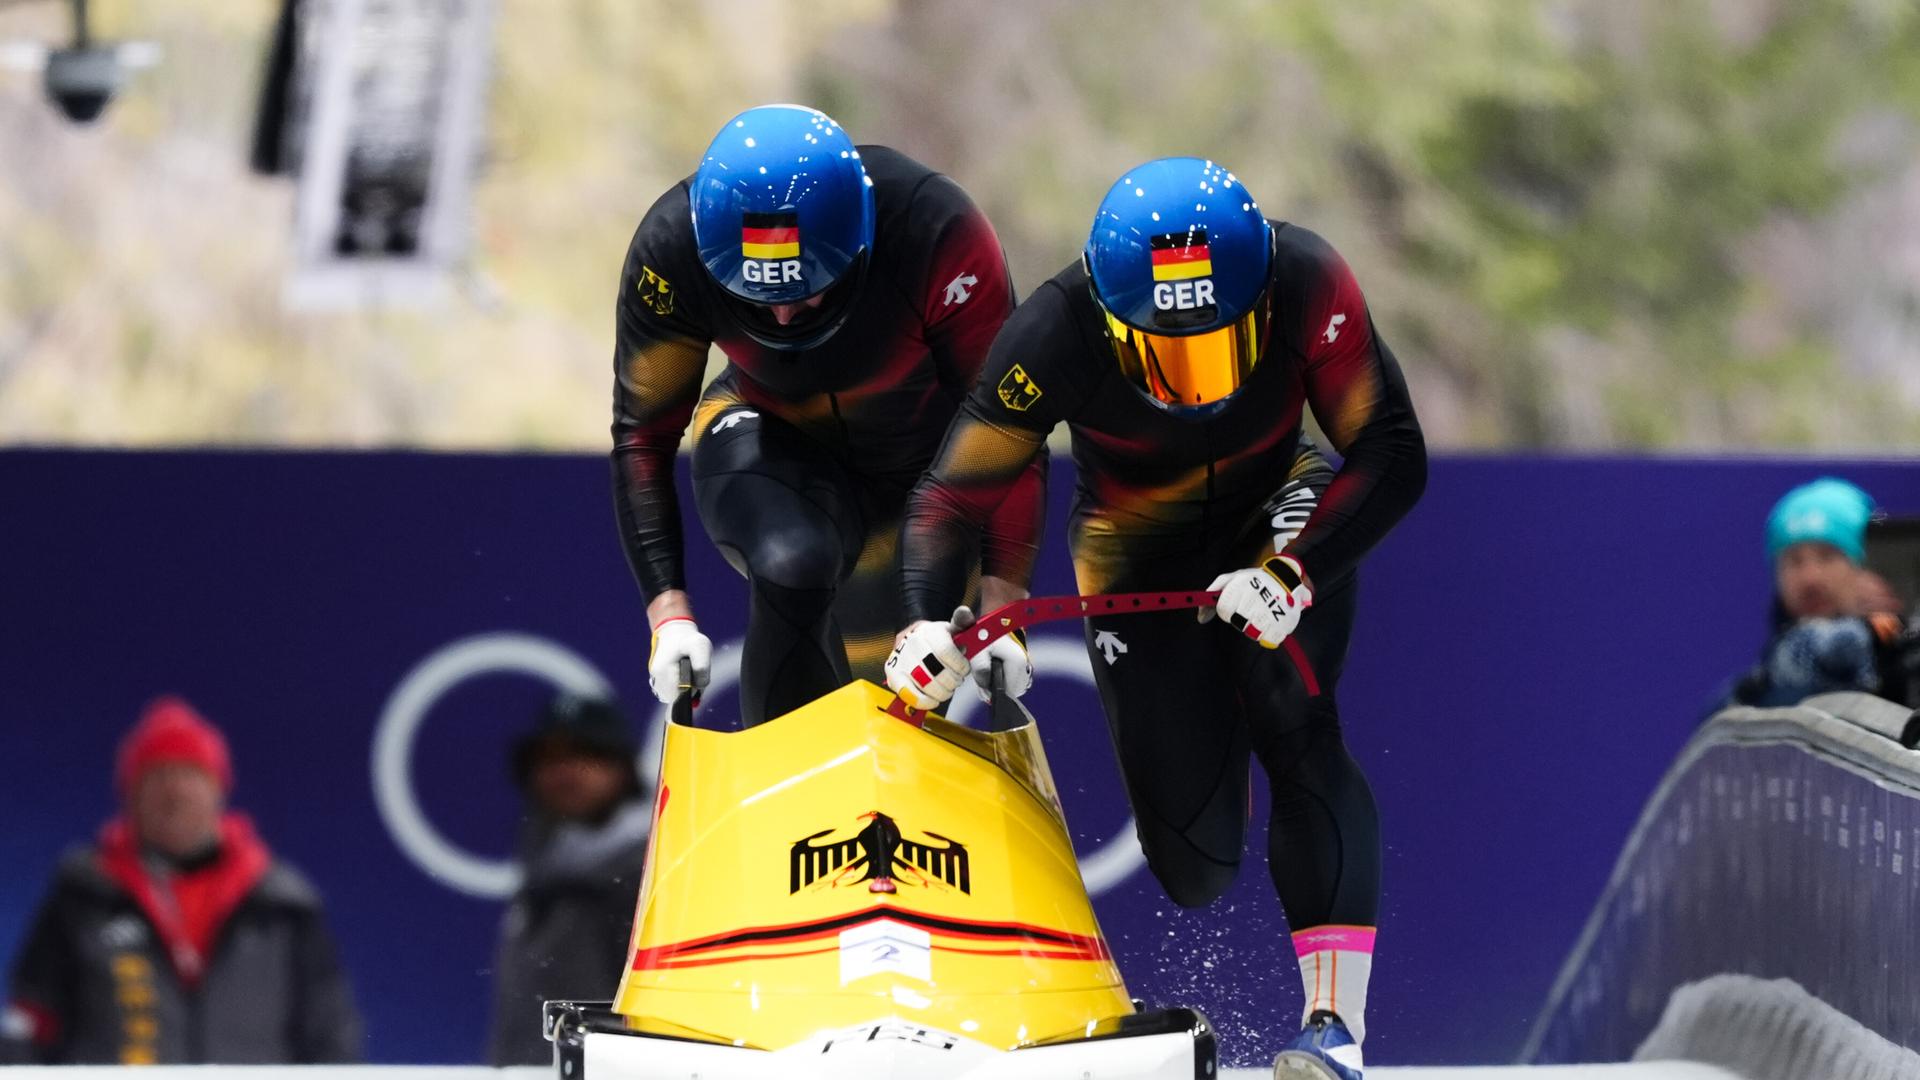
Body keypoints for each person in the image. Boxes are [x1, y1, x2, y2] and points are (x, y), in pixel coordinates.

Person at [884, 158, 1427, 1080]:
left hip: (1277, 512)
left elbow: (1390, 446)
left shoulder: (1307, 282)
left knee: (1293, 713)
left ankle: (1335, 1027)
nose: (1194, 380)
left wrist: (1294, 572)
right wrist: (931, 620)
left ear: (1260, 300)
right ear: (1109, 321)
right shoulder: (1055, 329)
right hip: (1134, 547)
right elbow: (952, 492)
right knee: (1193, 863)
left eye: (1219, 346)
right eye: (1162, 354)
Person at [611, 103, 1042, 726]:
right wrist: (668, 615)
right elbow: (643, 435)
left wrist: (1004, 610)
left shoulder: (936, 231)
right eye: (754, 296)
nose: (783, 316)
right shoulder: (672, 245)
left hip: (928, 479)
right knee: (793, 561)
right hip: (769, 437)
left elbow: (1005, 427)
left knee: (922, 675)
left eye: (803, 289)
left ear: (858, 246)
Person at [1, 697, 362, 1064]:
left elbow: (331, 1037)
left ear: (219, 789)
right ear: (130, 795)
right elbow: (30, 1024)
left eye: (190, 775)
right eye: (157, 777)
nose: (174, 794)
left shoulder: (283, 906)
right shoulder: (83, 897)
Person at [486, 693, 650, 1065]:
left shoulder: (656, 876)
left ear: (623, 767)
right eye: (547, 759)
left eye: (585, 754)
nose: (564, 771)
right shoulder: (545, 874)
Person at [1718, 477, 1917, 711]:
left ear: (1867, 566)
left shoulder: (1907, 650)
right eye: (1794, 561)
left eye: (1828, 556)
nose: (1810, 577)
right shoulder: (1755, 686)